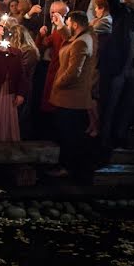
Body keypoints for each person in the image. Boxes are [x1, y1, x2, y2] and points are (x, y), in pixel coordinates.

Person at [48, 11, 97, 182]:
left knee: (69, 134)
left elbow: (74, 72)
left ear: (75, 25)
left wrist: (58, 83)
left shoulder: (82, 42)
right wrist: (60, 24)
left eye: (69, 23)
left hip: (71, 97)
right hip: (70, 97)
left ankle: (69, 168)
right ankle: (69, 166)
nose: (68, 26)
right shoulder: (83, 37)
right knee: (68, 132)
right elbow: (69, 39)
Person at [99, 0, 134, 150]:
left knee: (128, 106)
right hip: (118, 68)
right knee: (111, 105)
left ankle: (121, 136)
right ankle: (104, 140)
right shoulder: (121, 12)